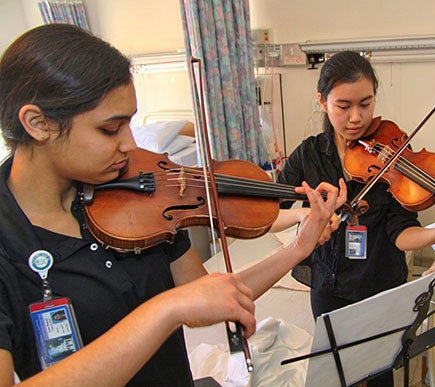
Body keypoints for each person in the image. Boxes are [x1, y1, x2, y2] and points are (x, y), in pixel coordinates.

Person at [0, 24, 346, 386]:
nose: (130, 145)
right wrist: (165, 309)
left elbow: (208, 295)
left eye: (130, 124)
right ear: (38, 124)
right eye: (109, 130)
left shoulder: (143, 196)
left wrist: (299, 247)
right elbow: (179, 305)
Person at [273, 51, 435, 386]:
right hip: (328, 283)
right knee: (337, 371)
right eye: (344, 106)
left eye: (365, 104)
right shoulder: (308, 155)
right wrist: (305, 215)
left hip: (380, 282)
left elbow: (401, 232)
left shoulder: (391, 151)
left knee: (380, 374)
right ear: (322, 102)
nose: (356, 117)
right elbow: (271, 215)